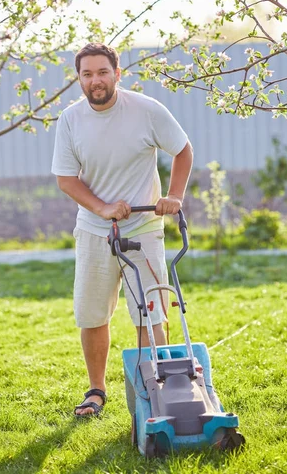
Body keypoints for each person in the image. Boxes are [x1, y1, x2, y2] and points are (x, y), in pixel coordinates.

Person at [51, 42, 193, 417]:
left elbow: (182, 150)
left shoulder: (146, 110)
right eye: (87, 74)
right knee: (92, 314)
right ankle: (96, 391)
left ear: (117, 73)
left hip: (144, 227)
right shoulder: (70, 119)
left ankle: (156, 390)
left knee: (150, 313)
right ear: (78, 78)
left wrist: (174, 196)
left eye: (102, 72)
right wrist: (102, 208)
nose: (95, 81)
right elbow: (66, 179)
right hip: (95, 230)